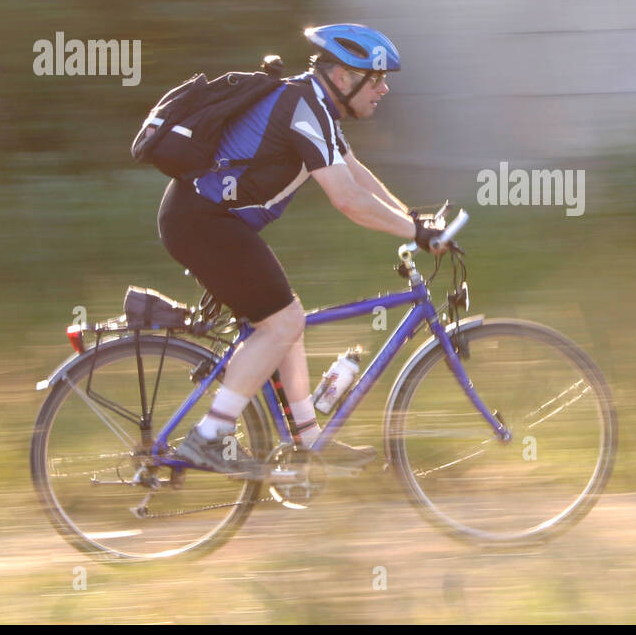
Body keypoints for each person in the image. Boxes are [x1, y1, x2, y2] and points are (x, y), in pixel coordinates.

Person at [157, 24, 448, 478]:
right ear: (344, 78)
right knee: (284, 322)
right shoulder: (304, 109)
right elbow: (348, 201)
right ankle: (210, 436)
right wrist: (415, 232)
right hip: (201, 223)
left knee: (284, 317)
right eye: (377, 79)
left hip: (214, 223)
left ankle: (310, 442)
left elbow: (355, 175)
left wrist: (414, 220)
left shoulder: (315, 107)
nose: (385, 89)